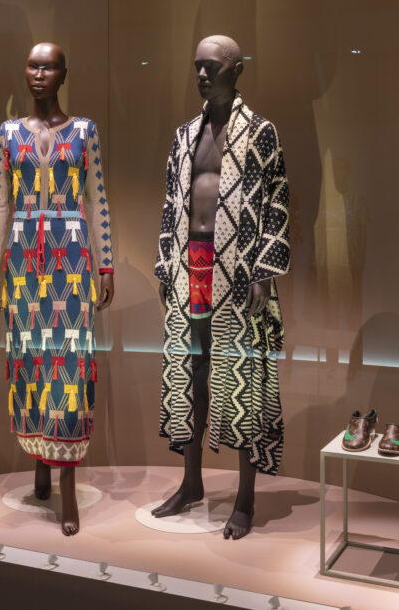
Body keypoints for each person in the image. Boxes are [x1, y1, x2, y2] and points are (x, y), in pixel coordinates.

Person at [153, 35, 290, 539]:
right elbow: (172, 202)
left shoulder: (261, 132)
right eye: (197, 67)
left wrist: (264, 269)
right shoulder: (185, 135)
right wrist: (164, 262)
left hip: (238, 268)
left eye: (212, 66)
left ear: (237, 69)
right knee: (190, 373)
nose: (202, 75)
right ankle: (191, 483)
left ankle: (245, 498)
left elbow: (277, 200)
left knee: (243, 379)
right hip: (190, 265)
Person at [0, 43, 115, 536]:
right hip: (22, 264)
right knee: (29, 362)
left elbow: (97, 200)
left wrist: (106, 264)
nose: (39, 73)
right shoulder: (8, 133)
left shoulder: (84, 131)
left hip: (71, 259)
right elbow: (0, 201)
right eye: (33, 65)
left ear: (63, 74)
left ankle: (67, 487)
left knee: (70, 366)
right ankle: (40, 465)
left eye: (49, 66)